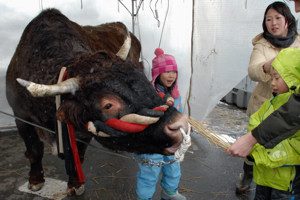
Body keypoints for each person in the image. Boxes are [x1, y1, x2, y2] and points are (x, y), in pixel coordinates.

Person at [237, 1, 300, 193]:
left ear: (288, 20)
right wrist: (272, 65)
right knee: (255, 148)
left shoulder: (299, 42)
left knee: (284, 151)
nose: (273, 23)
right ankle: (249, 176)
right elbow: (253, 71)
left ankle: (278, 188)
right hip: (264, 106)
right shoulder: (261, 44)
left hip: (292, 109)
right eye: (269, 19)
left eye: (278, 18)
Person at [229, 47, 300, 199]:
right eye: (271, 78)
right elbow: (255, 123)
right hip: (264, 179)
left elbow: (295, 148)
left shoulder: (294, 111)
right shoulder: (271, 104)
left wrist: (259, 153)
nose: (272, 83)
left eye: (277, 78)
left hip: (287, 185)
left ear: (292, 78)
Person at [135, 48, 186, 200]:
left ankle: (169, 192)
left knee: (173, 167)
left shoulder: (175, 95)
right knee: (149, 171)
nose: (171, 75)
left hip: (171, 141)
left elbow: (180, 113)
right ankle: (145, 197)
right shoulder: (148, 95)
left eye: (174, 71)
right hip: (152, 142)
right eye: (167, 71)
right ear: (157, 73)